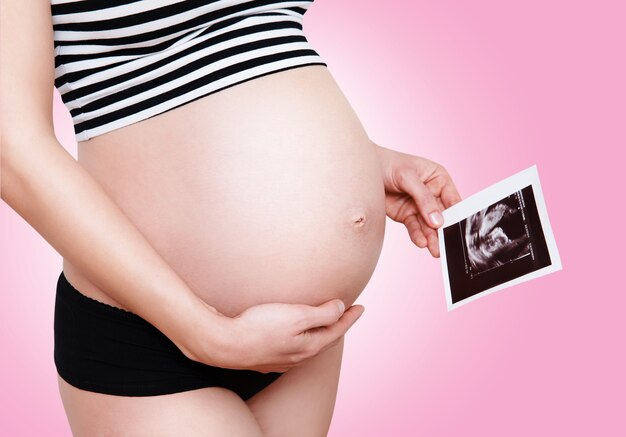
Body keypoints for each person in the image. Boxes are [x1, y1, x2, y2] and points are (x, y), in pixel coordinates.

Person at [0, 1, 462, 435]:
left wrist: (357, 161)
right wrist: (205, 334)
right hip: (155, 331)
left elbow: (246, 43)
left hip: (302, 338)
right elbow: (11, 149)